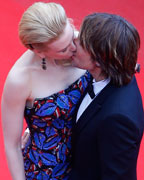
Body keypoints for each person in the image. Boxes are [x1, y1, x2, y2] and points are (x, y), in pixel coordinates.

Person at [1, 2, 93, 180]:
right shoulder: (20, 79)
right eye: (63, 49)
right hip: (48, 169)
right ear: (38, 51)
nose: (74, 48)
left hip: (88, 158)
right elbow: (11, 146)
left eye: (72, 35)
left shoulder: (79, 41)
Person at [69, 13, 144, 180]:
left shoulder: (118, 119)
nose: (73, 42)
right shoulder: (107, 73)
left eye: (81, 42)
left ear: (99, 60)